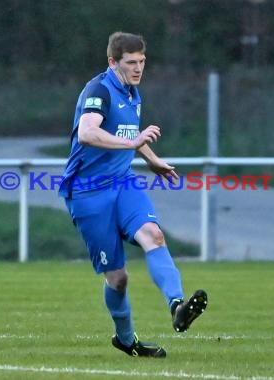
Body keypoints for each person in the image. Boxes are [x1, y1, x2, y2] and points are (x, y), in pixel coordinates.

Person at [58, 31, 207, 358]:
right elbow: (87, 132)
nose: (138, 68)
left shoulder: (132, 92)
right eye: (130, 63)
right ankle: (126, 340)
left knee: (154, 235)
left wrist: (152, 160)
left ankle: (177, 305)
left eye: (142, 62)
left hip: (123, 184)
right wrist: (133, 144)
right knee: (118, 278)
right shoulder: (99, 90)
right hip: (88, 193)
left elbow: (128, 136)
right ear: (112, 62)